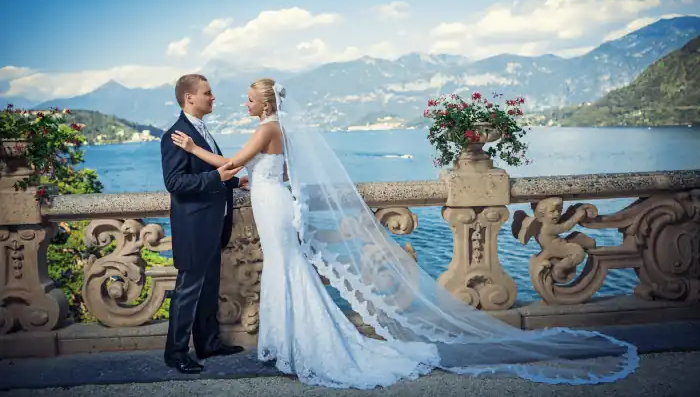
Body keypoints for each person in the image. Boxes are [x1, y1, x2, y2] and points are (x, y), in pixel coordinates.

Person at [169, 78, 639, 388]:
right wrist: (252, 177)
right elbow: (264, 170)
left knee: (287, 269)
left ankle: (297, 345)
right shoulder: (277, 130)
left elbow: (230, 165)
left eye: (249, 98)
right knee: (286, 269)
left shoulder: (268, 128)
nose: (242, 103)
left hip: (273, 205)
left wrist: (194, 147)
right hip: (272, 199)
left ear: (265, 103)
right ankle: (289, 343)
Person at [160, 74, 248, 374]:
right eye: (208, 93)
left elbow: (210, 168)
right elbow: (175, 182)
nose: (213, 98)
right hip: (194, 226)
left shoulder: (201, 132)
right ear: (190, 98)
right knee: (188, 291)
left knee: (208, 287)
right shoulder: (174, 135)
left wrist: (237, 181)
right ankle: (175, 353)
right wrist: (217, 178)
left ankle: (208, 343)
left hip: (213, 224)